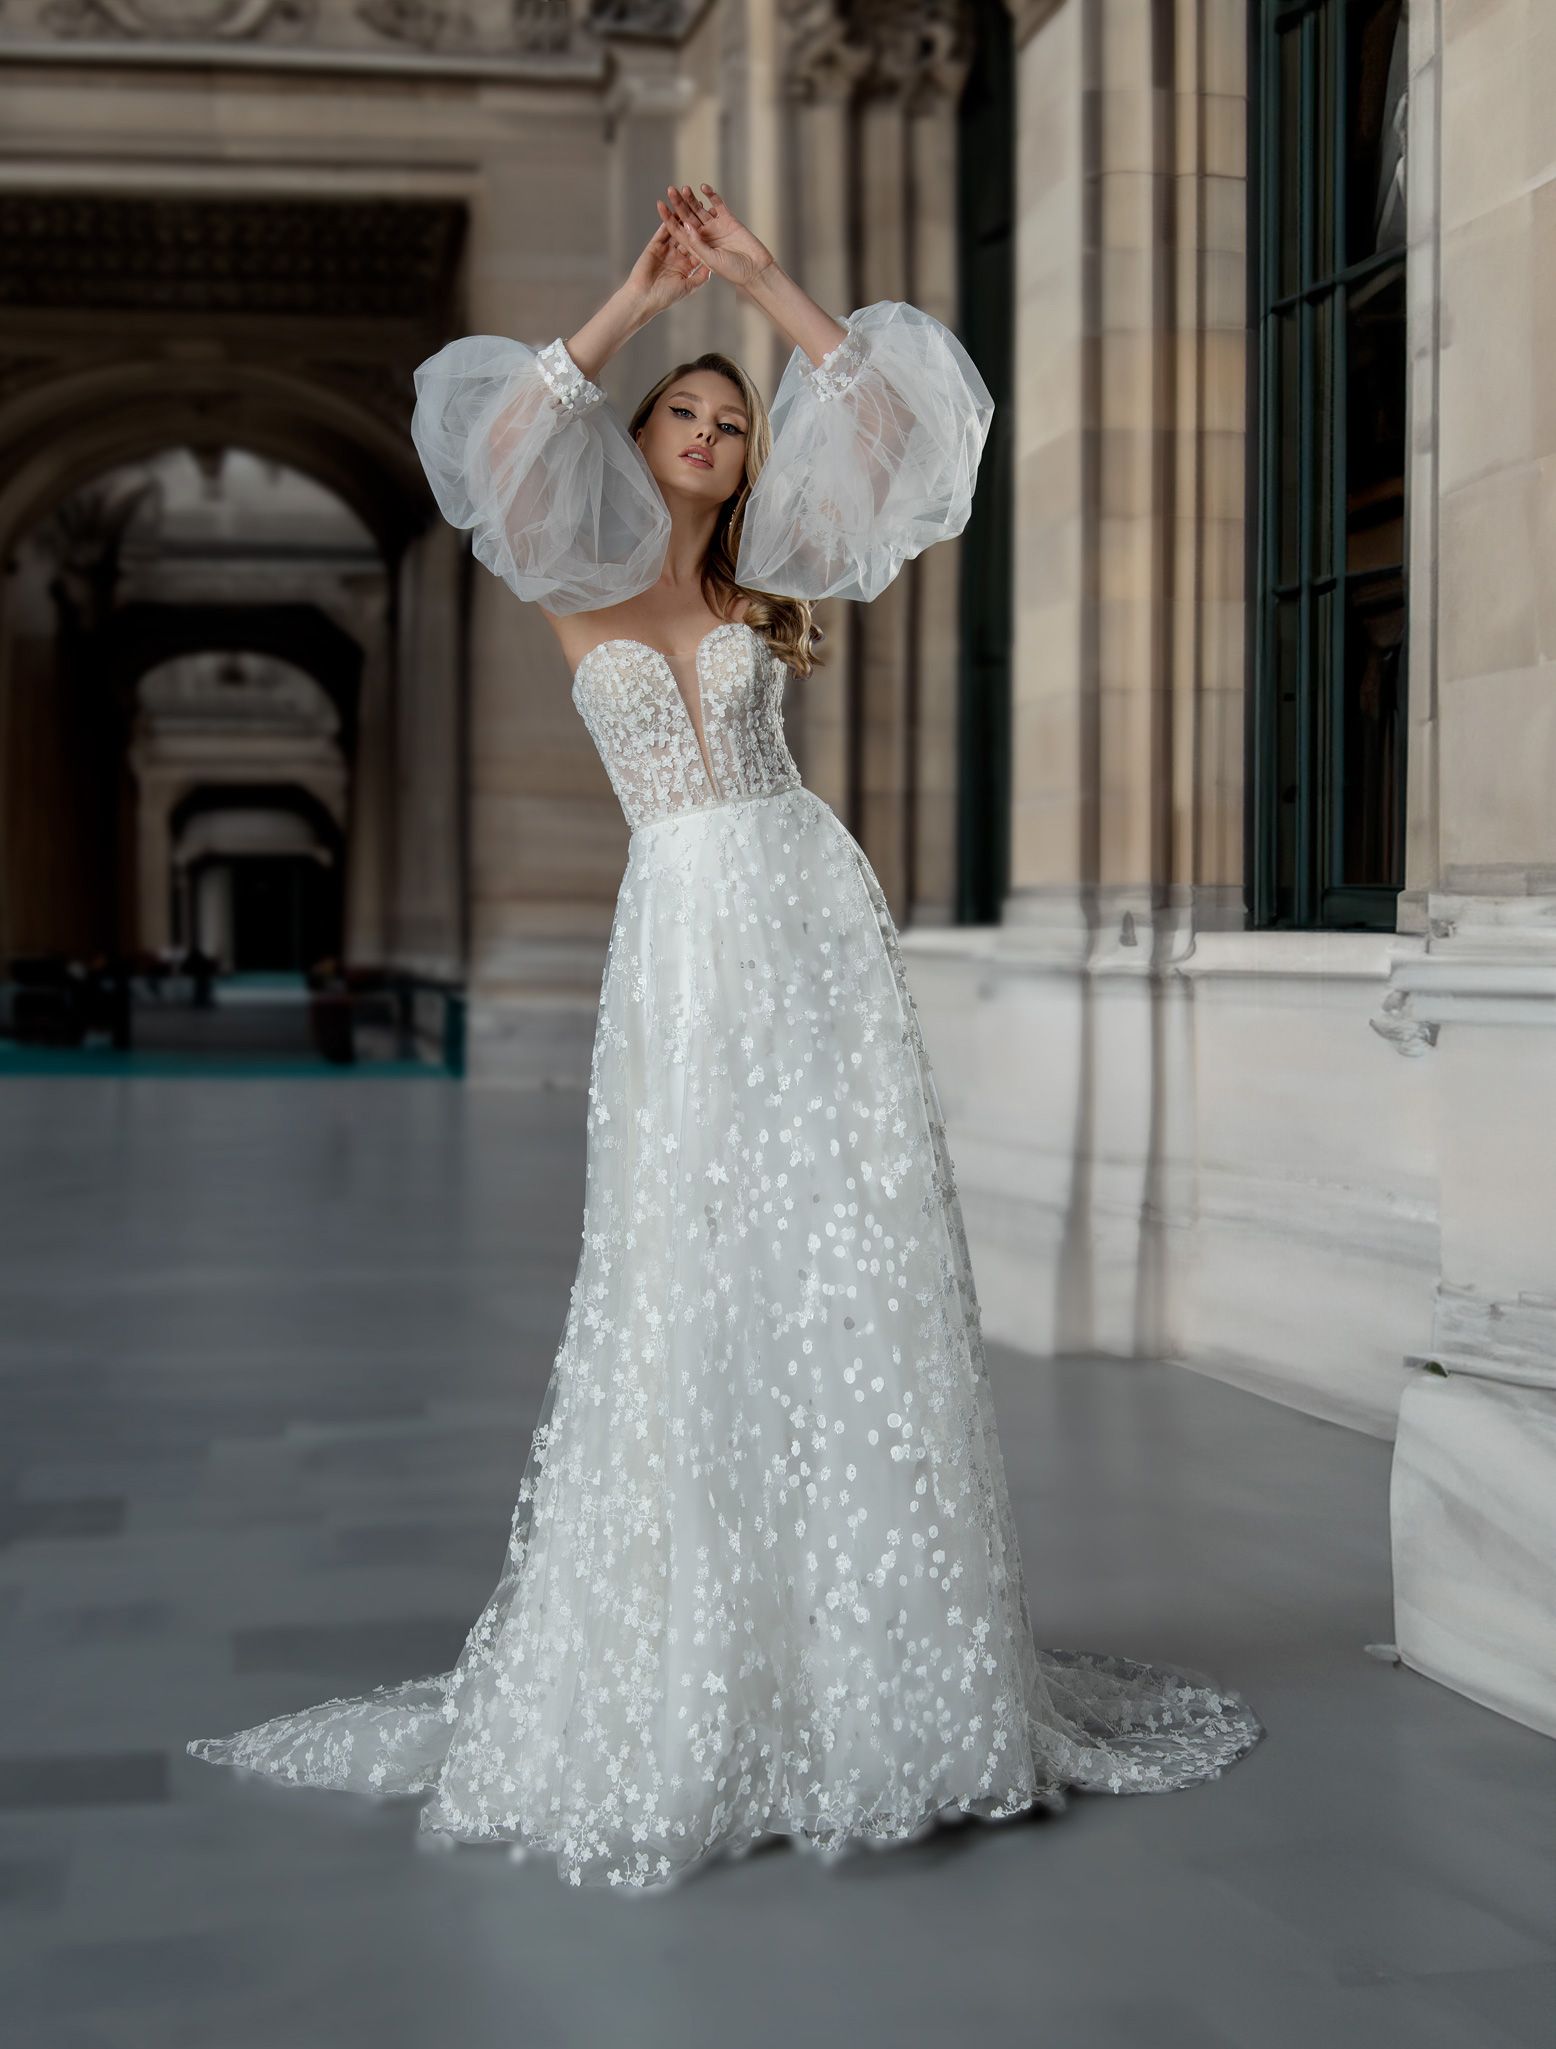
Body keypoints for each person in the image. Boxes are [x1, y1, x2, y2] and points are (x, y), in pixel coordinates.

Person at [187, 183, 1262, 1891]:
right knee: (684, 1267)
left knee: (847, 1258)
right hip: (681, 940)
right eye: (681, 411)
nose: (703, 430)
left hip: (809, 924)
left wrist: (766, 285)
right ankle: (705, 1650)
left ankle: (880, 1663)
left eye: (729, 418)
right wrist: (630, 295)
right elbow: (501, 440)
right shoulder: (574, 575)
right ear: (645, 438)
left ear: (749, 460)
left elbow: (910, 433)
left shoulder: (770, 589)